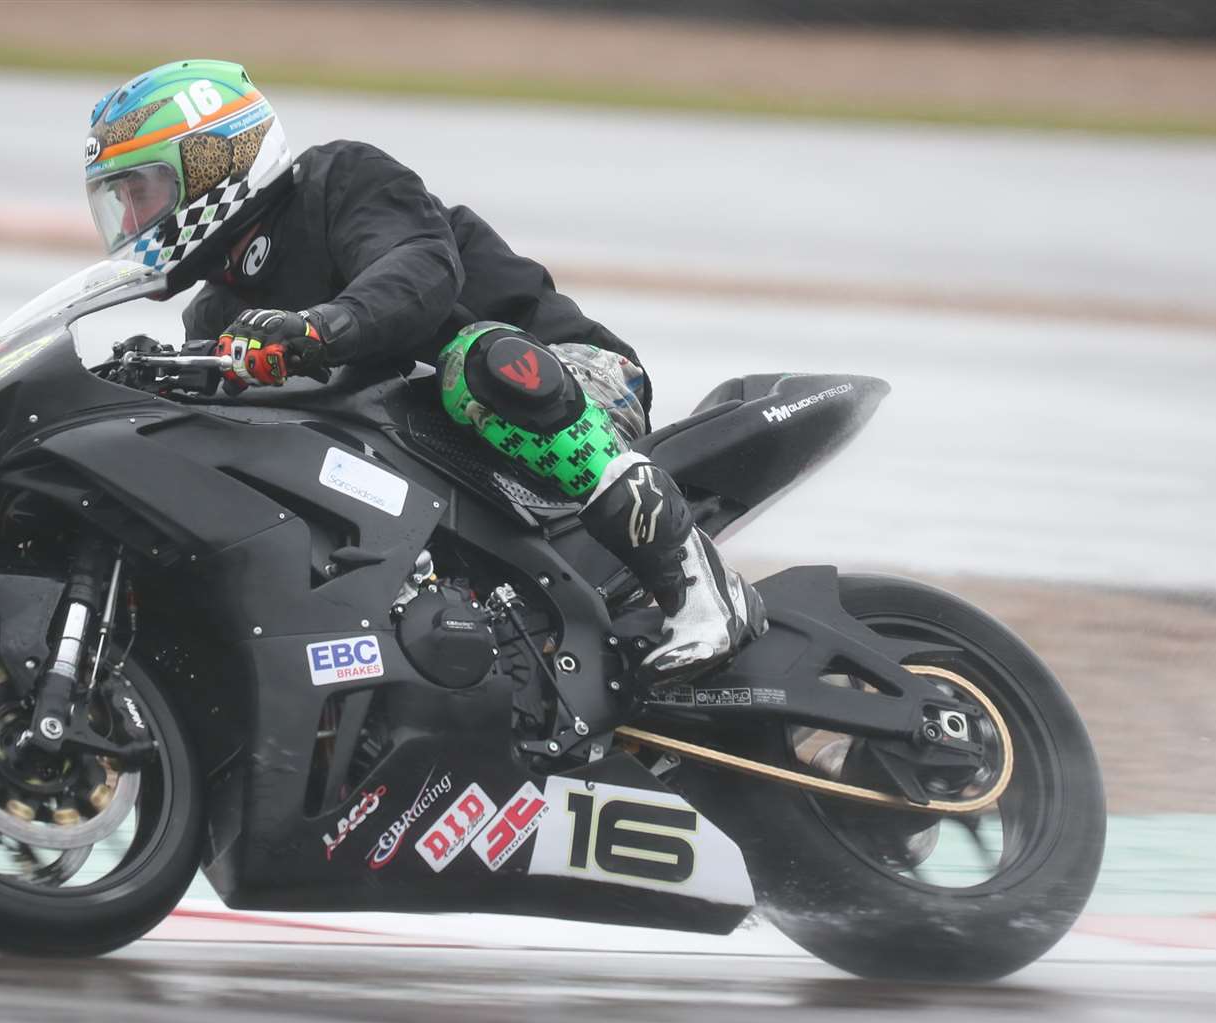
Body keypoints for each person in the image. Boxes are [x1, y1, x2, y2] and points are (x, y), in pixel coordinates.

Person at [83, 60, 763, 680]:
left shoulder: (340, 181)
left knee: (478, 363)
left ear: (210, 165)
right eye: (121, 202)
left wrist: (319, 330)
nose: (134, 218)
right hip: (433, 455)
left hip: (571, 382)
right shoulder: (217, 315)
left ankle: (697, 585)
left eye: (143, 192)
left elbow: (416, 272)